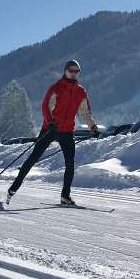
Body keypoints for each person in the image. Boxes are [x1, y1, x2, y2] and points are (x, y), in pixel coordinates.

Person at [6, 59, 99, 206]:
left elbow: (85, 113)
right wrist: (50, 123)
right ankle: (13, 188)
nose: (74, 74)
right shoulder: (56, 88)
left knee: (70, 164)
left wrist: (92, 127)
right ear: (65, 71)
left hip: (67, 131)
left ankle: (65, 196)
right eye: (71, 71)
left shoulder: (81, 91)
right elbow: (45, 106)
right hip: (50, 129)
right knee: (33, 158)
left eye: (77, 71)